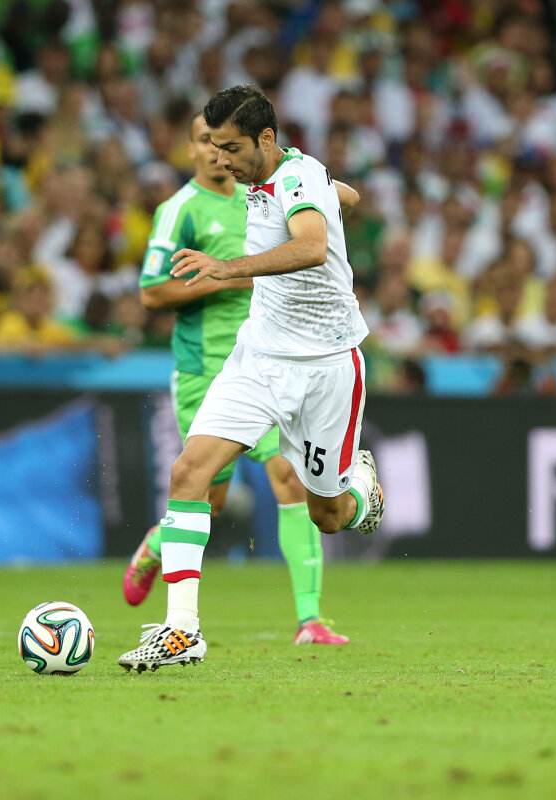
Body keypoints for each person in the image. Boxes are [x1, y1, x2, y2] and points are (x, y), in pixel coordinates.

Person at [118, 86, 384, 672]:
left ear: (266, 138)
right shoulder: (264, 180)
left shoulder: (296, 177)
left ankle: (360, 493)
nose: (221, 160)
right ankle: (181, 631)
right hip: (257, 359)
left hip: (326, 368)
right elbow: (349, 194)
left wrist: (228, 267)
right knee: (189, 472)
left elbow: (311, 247)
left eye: (231, 148)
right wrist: (333, 191)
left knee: (326, 515)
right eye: (213, 147)